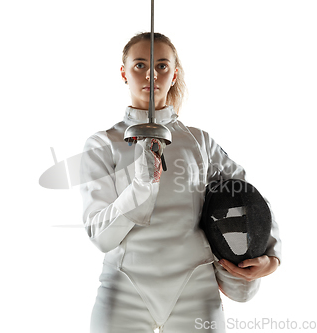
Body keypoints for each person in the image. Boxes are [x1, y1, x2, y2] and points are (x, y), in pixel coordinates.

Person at [79, 32, 282, 333]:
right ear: (123, 72)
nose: (151, 74)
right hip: (124, 288)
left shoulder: (199, 141)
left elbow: (247, 197)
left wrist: (272, 255)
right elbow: (100, 236)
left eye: (162, 66)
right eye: (139, 65)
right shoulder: (102, 145)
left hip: (194, 286)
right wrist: (141, 188)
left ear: (174, 74)